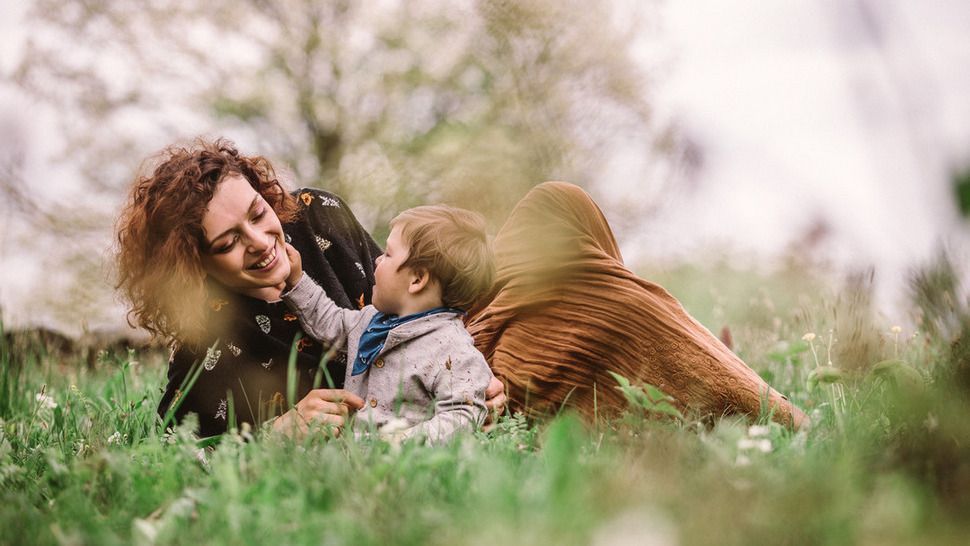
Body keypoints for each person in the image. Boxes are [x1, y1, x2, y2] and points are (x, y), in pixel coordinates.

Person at [115, 138, 505, 438]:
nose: (261, 240)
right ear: (193, 267)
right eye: (228, 243)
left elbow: (425, 305)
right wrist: (276, 436)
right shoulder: (206, 342)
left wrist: (480, 382)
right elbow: (170, 448)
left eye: (258, 212)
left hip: (453, 368)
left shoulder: (318, 217)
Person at [466, 181, 808, 429]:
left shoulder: (478, 321)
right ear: (594, 233)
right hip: (667, 457)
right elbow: (724, 379)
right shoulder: (641, 305)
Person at [280, 205, 495, 443]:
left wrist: (402, 443)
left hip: (409, 469)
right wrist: (297, 280)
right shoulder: (370, 320)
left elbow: (463, 415)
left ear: (417, 279)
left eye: (389, 254)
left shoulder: (453, 349)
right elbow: (330, 322)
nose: (377, 258)